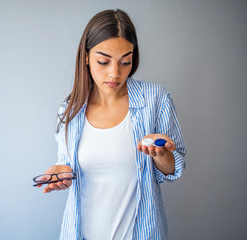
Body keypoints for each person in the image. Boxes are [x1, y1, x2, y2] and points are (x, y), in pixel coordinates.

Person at [37, 9, 186, 240]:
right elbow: (66, 166)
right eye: (103, 62)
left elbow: (173, 169)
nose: (115, 73)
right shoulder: (69, 111)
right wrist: (61, 173)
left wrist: (160, 154)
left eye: (125, 62)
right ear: (86, 57)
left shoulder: (155, 99)